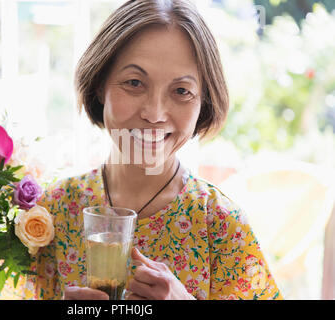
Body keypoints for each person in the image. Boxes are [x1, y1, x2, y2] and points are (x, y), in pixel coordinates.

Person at [19, 0, 283, 300]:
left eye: (181, 91)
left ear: (203, 103)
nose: (155, 113)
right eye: (134, 82)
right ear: (99, 86)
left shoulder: (221, 224)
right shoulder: (49, 214)